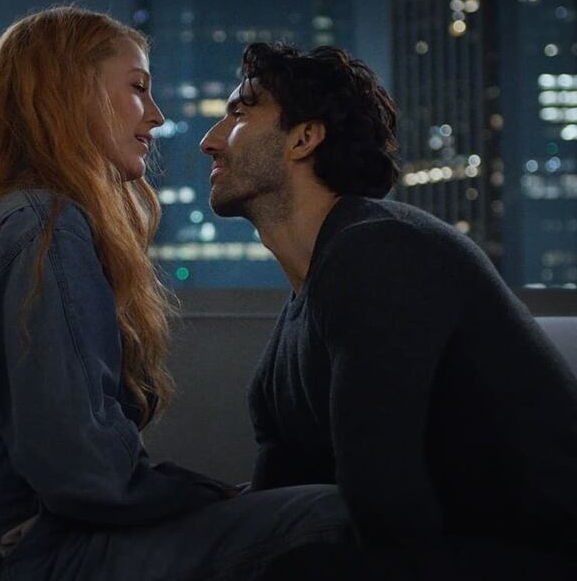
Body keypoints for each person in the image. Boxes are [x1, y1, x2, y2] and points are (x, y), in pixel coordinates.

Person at [0, 8, 353, 581]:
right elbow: (80, 468)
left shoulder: (16, 218)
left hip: (10, 549)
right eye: (138, 88)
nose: (156, 116)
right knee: (333, 517)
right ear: (70, 93)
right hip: (20, 557)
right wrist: (210, 498)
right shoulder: (44, 225)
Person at [199, 42, 577, 575]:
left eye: (240, 113)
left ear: (304, 138)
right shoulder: (302, 313)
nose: (209, 141)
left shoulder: (380, 253)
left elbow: (387, 506)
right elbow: (274, 507)